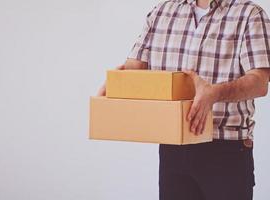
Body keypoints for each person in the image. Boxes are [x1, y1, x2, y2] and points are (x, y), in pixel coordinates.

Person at [97, 0, 270, 199]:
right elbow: (135, 66)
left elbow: (259, 82)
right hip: (173, 146)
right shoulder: (162, 11)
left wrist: (214, 93)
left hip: (226, 149)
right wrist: (117, 83)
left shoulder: (249, 14)